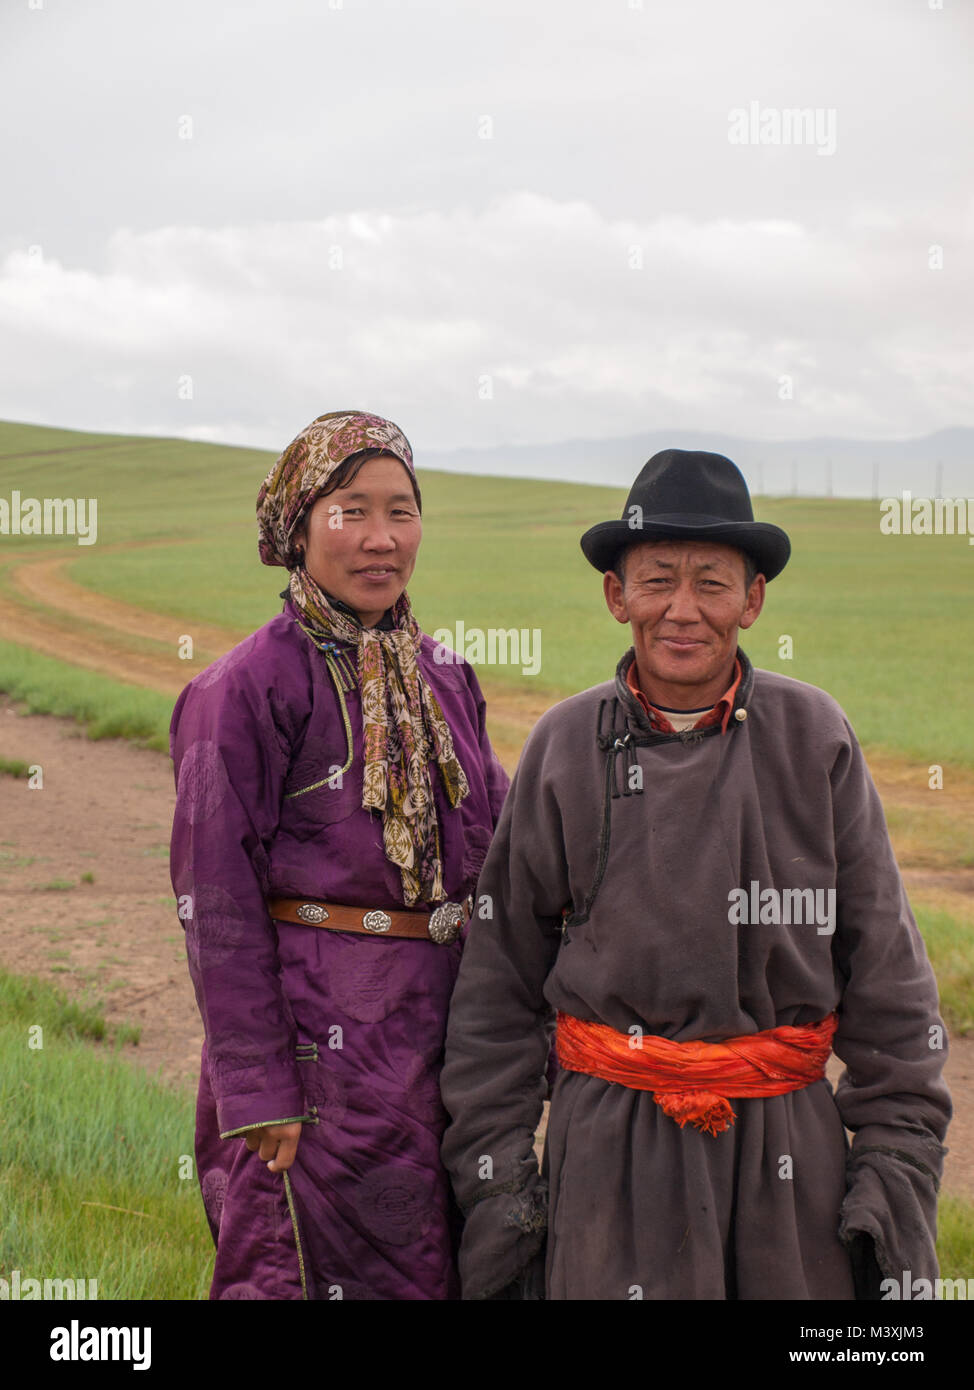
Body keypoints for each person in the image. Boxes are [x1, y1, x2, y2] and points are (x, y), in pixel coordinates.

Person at [439, 448, 951, 1301]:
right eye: (658, 580)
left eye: (712, 583)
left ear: (753, 600)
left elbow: (891, 984)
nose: (684, 610)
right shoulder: (565, 747)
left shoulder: (814, 737)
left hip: (788, 1166)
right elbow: (497, 988)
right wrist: (501, 1192)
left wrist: (894, 1172)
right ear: (616, 596)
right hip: (610, 1158)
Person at [169, 409, 508, 1300]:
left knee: (438, 1265)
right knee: (298, 1270)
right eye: (351, 510)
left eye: (402, 510)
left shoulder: (443, 676)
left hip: (437, 1045)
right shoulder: (242, 688)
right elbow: (217, 899)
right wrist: (256, 1088)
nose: (381, 539)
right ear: (298, 524)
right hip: (314, 1056)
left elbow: (498, 848)